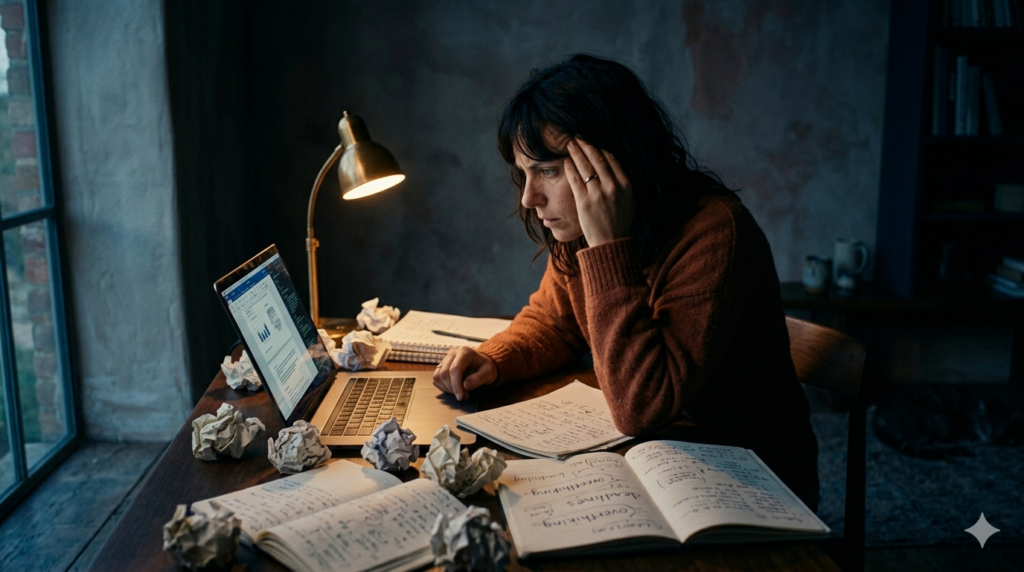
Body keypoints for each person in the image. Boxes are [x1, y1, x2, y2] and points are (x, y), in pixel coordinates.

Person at [433, 54, 819, 509]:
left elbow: (642, 405)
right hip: (664, 454)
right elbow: (553, 322)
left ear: (614, 160)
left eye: (549, 171)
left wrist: (607, 245)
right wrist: (493, 360)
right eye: (524, 173)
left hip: (750, 478)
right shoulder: (578, 234)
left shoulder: (716, 233)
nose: (529, 196)